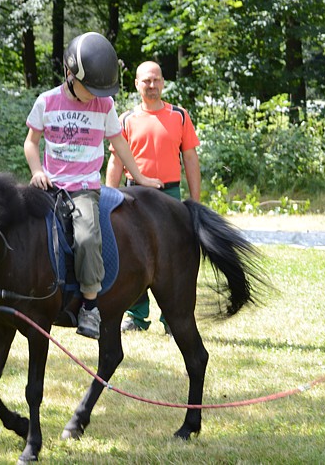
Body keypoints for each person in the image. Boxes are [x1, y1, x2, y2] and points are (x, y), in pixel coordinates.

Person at [24, 32, 163, 340]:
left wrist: (138, 177)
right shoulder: (46, 102)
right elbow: (31, 143)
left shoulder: (104, 105)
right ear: (69, 73)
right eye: (89, 88)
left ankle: (89, 307)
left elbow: (119, 144)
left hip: (84, 188)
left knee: (87, 238)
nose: (94, 95)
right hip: (49, 186)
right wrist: (36, 171)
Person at [105, 60, 201, 334]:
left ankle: (173, 319)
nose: (152, 85)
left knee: (174, 260)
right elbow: (115, 162)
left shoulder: (179, 116)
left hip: (169, 194)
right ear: (136, 84)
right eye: (146, 80)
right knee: (134, 258)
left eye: (156, 79)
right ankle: (137, 316)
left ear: (163, 82)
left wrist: (195, 200)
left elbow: (191, 158)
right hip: (133, 195)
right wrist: (109, 196)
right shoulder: (125, 119)